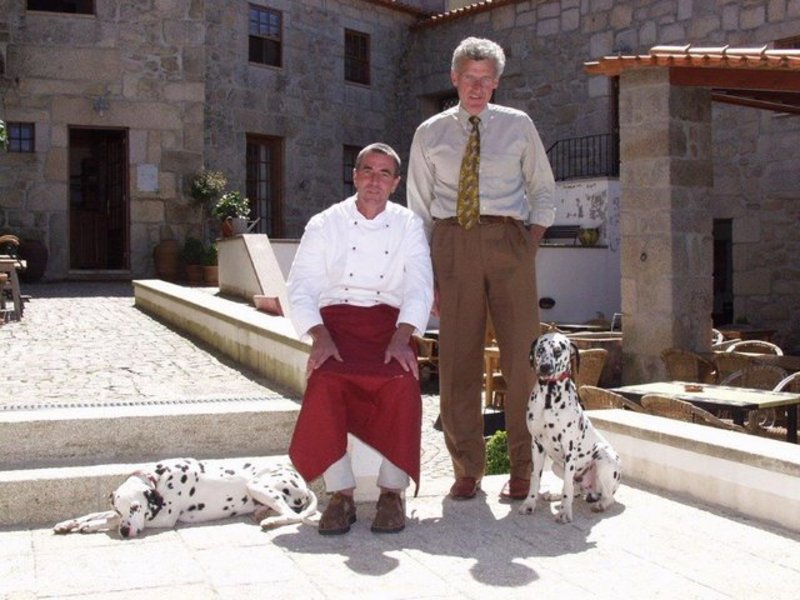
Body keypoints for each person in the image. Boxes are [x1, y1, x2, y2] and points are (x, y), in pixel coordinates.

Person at [407, 37, 555, 501]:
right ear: (454, 78)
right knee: (457, 362)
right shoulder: (429, 133)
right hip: (452, 243)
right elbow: (418, 208)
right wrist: (426, 274)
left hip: (509, 241)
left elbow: (543, 189)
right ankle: (467, 468)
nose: (477, 87)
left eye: (486, 79)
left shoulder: (518, 125)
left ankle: (523, 468)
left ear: (496, 83)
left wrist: (529, 242)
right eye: (469, 78)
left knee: (522, 361)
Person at [287, 142, 434, 535]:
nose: (374, 180)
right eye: (367, 170)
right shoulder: (325, 223)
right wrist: (319, 335)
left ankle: (392, 493)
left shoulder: (408, 225)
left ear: (396, 183)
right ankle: (341, 494)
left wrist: (403, 335)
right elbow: (300, 287)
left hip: (390, 328)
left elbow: (419, 286)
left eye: (384, 173)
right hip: (336, 328)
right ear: (354, 176)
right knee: (325, 382)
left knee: (403, 382)